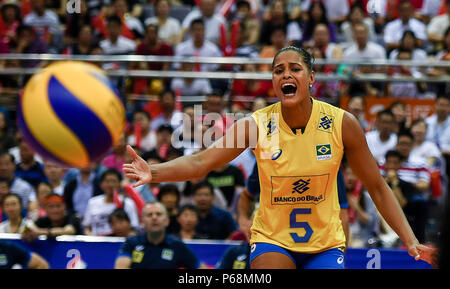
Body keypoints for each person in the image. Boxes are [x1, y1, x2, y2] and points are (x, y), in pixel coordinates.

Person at [124, 46, 435, 268]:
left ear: (311, 78)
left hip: (325, 243)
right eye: (278, 70)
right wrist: (154, 171)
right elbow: (200, 162)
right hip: (273, 238)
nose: (286, 74)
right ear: (274, 81)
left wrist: (409, 240)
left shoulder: (342, 123)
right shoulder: (256, 124)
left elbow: (378, 186)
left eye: (295, 69)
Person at [114, 202, 207, 269]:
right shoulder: (132, 243)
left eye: (158, 214)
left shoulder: (177, 246)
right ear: (142, 222)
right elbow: (121, 266)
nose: (154, 217)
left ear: (167, 221)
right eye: (149, 215)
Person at [82, 168, 139, 236]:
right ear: (101, 184)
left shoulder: (128, 203)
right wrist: (92, 237)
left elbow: (133, 229)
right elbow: (87, 228)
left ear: (119, 184)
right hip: (97, 242)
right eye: (107, 181)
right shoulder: (92, 202)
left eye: (114, 181)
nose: (110, 185)